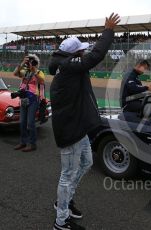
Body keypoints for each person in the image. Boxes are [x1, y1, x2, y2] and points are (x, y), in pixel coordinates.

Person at [48, 13, 120, 230]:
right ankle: (60, 222)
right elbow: (95, 56)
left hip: (77, 127)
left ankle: (65, 200)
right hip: (70, 130)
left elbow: (89, 57)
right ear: (74, 54)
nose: (85, 51)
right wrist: (108, 31)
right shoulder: (70, 66)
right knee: (67, 175)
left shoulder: (68, 66)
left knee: (87, 163)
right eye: (81, 49)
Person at [13, 54, 45, 152]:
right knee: (22, 122)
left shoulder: (39, 72)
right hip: (23, 98)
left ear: (36, 63)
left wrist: (34, 70)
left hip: (33, 99)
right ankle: (23, 142)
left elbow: (41, 81)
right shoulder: (24, 72)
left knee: (30, 122)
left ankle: (32, 144)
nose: (30, 63)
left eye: (32, 62)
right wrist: (22, 64)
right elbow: (15, 73)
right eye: (29, 61)